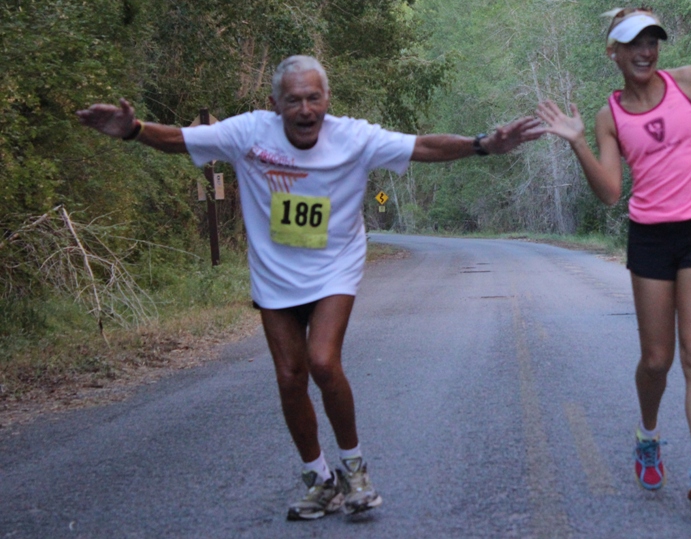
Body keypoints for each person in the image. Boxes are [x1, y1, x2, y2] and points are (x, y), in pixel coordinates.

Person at [77, 55, 544, 521]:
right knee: (289, 377)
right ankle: (319, 480)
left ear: (327, 100)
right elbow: (180, 139)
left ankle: (356, 470)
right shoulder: (249, 133)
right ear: (274, 104)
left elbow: (423, 147)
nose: (305, 110)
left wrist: (484, 144)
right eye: (294, 100)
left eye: (314, 98)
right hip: (274, 271)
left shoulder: (354, 137)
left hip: (334, 265)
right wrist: (134, 129)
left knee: (322, 361)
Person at [536, 7, 691, 510]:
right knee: (657, 359)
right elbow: (609, 194)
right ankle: (647, 434)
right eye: (633, 43)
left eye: (652, 41)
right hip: (650, 235)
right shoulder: (609, 116)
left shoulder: (690, 82)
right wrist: (578, 143)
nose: (645, 51)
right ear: (613, 52)